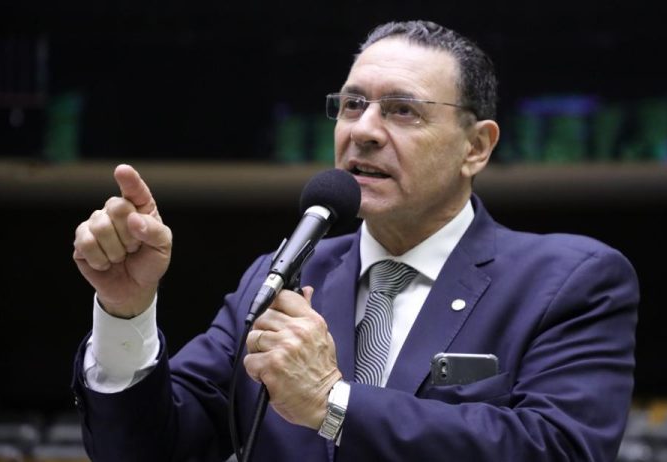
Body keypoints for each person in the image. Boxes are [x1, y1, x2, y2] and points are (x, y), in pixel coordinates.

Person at [71, 20, 638, 461]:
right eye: (352, 105)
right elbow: (146, 451)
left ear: (476, 147)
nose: (363, 130)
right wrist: (126, 312)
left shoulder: (568, 281)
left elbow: (558, 449)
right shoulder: (281, 276)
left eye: (402, 110)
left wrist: (333, 402)